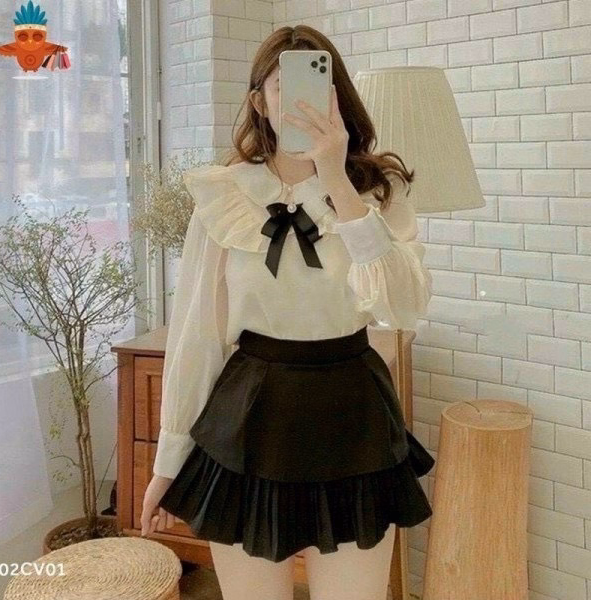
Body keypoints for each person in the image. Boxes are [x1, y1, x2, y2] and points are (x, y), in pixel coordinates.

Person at [141, 24, 435, 600]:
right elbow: (197, 336)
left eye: (317, 86)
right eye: (283, 87)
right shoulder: (224, 196)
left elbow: (403, 306)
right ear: (259, 101)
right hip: (250, 416)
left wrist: (337, 183)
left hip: (353, 413)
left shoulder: (378, 190)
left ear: (338, 96)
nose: (301, 102)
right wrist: (168, 460)